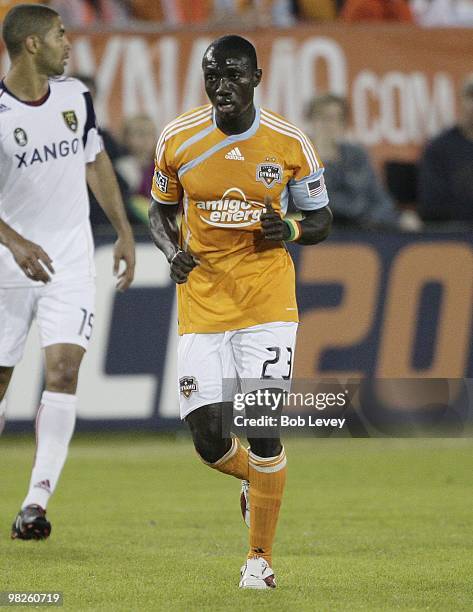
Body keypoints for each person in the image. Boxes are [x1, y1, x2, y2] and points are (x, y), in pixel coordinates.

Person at [149, 35, 332, 589]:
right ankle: (258, 479)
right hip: (203, 301)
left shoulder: (288, 141)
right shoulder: (178, 139)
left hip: (267, 301)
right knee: (207, 438)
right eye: (212, 75)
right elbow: (160, 213)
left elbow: (322, 219)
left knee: (263, 426)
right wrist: (170, 251)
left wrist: (293, 229)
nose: (221, 85)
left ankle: (259, 560)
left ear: (256, 78)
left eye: (232, 75)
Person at [0, 4, 135, 540]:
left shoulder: (76, 96)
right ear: (32, 45)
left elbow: (94, 159)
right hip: (8, 265)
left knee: (63, 372)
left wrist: (123, 230)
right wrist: (14, 241)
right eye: (59, 35)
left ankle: (36, 504)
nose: (68, 43)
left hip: (70, 262)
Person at [305, 93, 419, 230]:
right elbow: (325, 205)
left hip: (364, 229)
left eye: (337, 119)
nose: (330, 124)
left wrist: (397, 218)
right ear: (310, 120)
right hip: (323, 234)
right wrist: (361, 211)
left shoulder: (356, 155)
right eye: (324, 118)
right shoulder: (299, 158)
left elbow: (378, 196)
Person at [417, 75, 473, 225]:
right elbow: (432, 206)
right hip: (453, 235)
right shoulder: (438, 148)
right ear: (460, 100)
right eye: (471, 96)